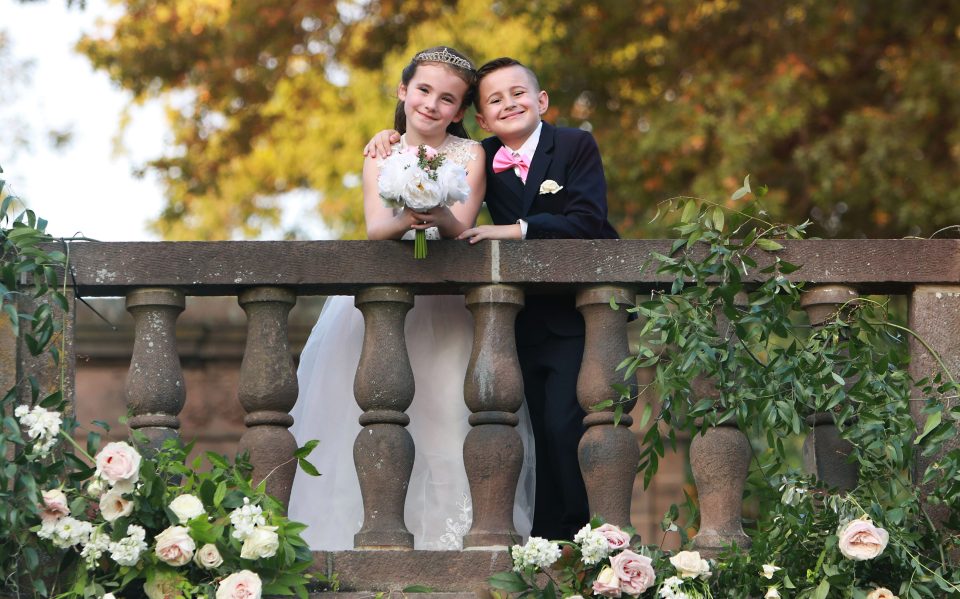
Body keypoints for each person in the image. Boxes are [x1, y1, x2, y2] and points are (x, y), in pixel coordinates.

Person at [289, 47, 536, 550]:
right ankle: (355, 540)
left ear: (461, 112)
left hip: (445, 305)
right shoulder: (380, 151)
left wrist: (436, 214)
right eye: (423, 90)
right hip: (383, 305)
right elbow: (377, 228)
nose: (432, 105)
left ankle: (448, 543)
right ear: (404, 92)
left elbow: (462, 225)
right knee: (358, 418)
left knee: (447, 416)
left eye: (448, 99)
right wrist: (409, 214)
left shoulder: (471, 155)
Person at [365, 57, 619, 540]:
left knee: (570, 428)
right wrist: (388, 136)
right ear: (479, 118)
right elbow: (429, 146)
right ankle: (542, 539)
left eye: (519, 94)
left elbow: (590, 223)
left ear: (541, 100)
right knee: (528, 434)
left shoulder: (574, 144)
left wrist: (514, 230)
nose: (510, 104)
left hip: (573, 316)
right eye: (494, 100)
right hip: (510, 321)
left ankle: (582, 537)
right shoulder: (479, 154)